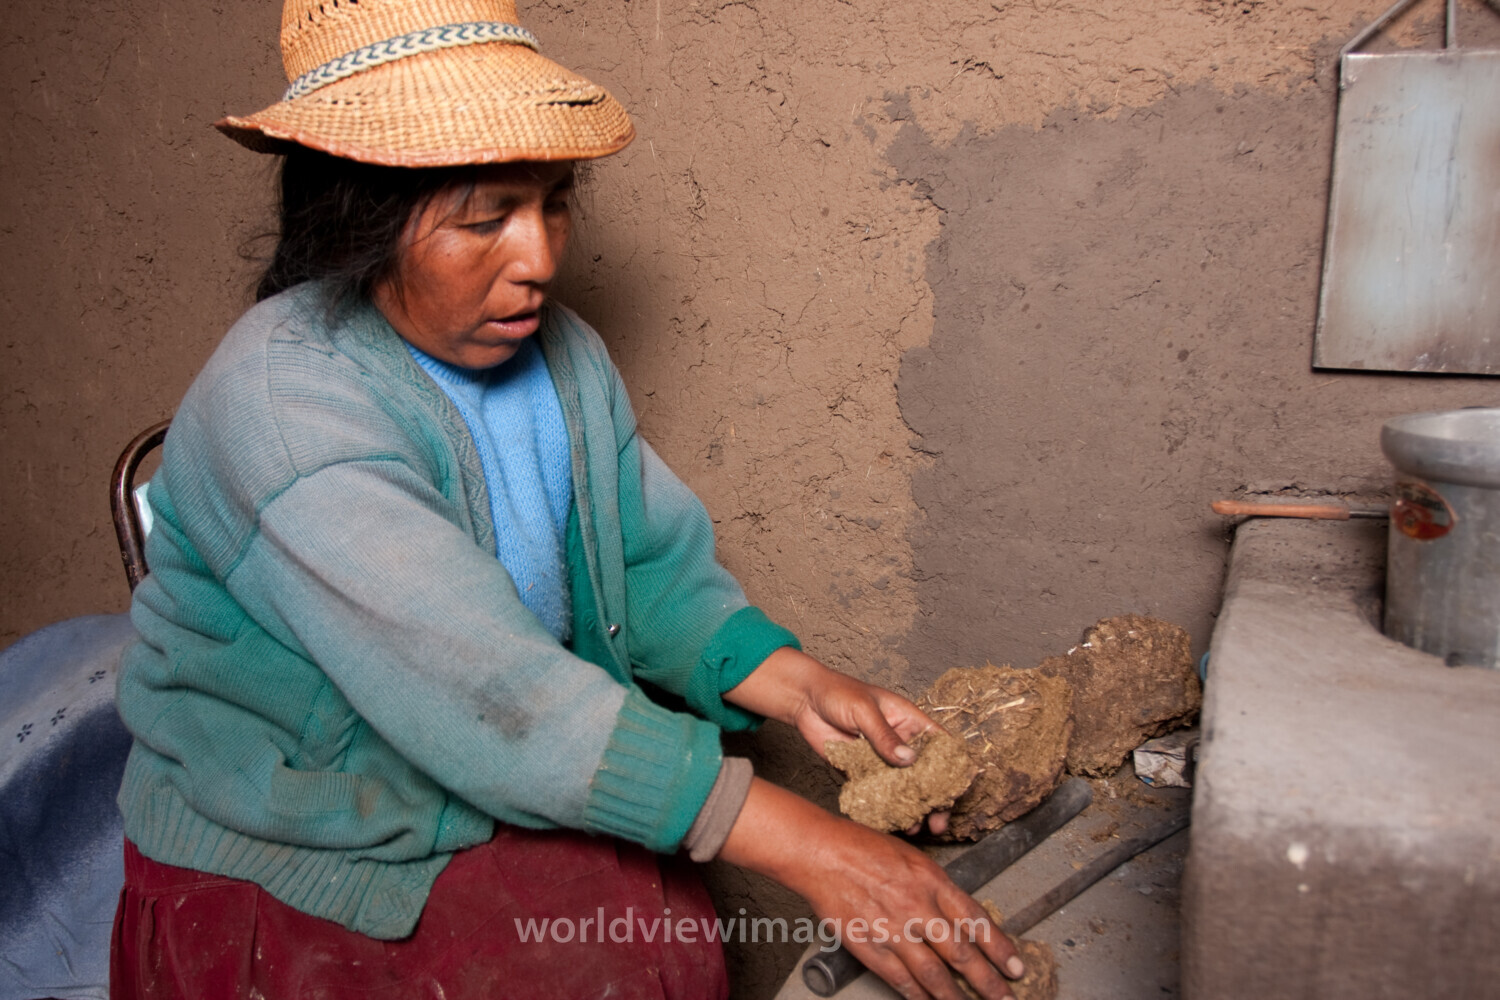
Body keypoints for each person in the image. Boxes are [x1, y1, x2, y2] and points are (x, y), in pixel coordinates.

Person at [109, 2, 1026, 998]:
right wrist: (818, 849)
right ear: (357, 218)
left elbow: (637, 561)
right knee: (620, 943)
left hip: (503, 752)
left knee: (658, 923)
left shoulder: (561, 355)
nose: (539, 257)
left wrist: (797, 685)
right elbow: (481, 686)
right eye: (483, 217)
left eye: (552, 203)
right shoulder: (282, 404)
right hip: (313, 843)